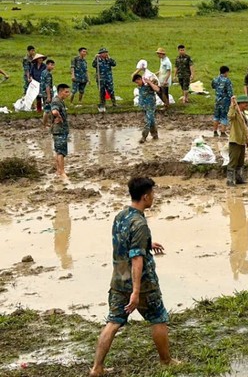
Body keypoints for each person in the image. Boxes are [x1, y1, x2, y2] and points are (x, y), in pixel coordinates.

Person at [89, 177, 178, 377]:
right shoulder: (140, 224)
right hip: (142, 283)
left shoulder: (121, 216)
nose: (154, 197)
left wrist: (148, 244)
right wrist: (136, 292)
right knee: (158, 318)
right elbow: (137, 259)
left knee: (113, 322)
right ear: (145, 196)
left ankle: (96, 368)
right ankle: (166, 361)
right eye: (152, 194)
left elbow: (125, 243)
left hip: (118, 279)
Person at [227, 95, 248, 186]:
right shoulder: (235, 114)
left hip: (242, 141)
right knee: (233, 162)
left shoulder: (243, 115)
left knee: (240, 162)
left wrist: (247, 140)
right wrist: (232, 104)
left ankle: (239, 178)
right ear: (240, 104)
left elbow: (245, 129)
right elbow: (230, 115)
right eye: (245, 103)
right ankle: (230, 180)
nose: (247, 105)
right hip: (235, 141)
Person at [133, 72, 161, 144]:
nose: (137, 84)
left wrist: (149, 82)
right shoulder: (140, 86)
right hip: (144, 106)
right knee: (151, 120)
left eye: (137, 82)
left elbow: (157, 89)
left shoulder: (148, 84)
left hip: (150, 105)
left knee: (147, 121)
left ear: (140, 79)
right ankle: (155, 135)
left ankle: (143, 137)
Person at [50, 83, 70, 179]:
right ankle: (62, 172)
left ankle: (58, 170)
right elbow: (54, 111)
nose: (68, 94)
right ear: (61, 92)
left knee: (58, 151)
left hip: (60, 130)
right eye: (66, 92)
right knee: (61, 152)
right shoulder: (56, 101)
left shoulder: (60, 100)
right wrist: (58, 117)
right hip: (59, 130)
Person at [92, 47, 117, 112]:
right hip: (101, 79)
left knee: (111, 90)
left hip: (108, 78)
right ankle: (103, 104)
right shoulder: (98, 60)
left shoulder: (108, 60)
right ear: (100, 54)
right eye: (104, 53)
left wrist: (109, 58)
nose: (106, 54)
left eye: (106, 52)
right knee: (102, 91)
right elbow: (93, 65)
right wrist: (95, 58)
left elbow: (114, 64)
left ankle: (114, 103)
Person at [211, 66, 234, 137]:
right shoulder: (227, 81)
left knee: (216, 116)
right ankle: (223, 132)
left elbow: (213, 87)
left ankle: (215, 131)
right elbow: (230, 92)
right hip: (225, 101)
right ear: (226, 72)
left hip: (217, 100)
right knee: (224, 116)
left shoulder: (215, 79)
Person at [39, 58, 55, 124]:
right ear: (47, 65)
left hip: (42, 92)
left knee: (48, 108)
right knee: (47, 110)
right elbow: (47, 86)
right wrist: (48, 96)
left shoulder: (43, 72)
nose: (52, 66)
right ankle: (44, 124)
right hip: (46, 93)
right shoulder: (48, 74)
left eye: (53, 65)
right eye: (51, 65)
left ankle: (47, 122)